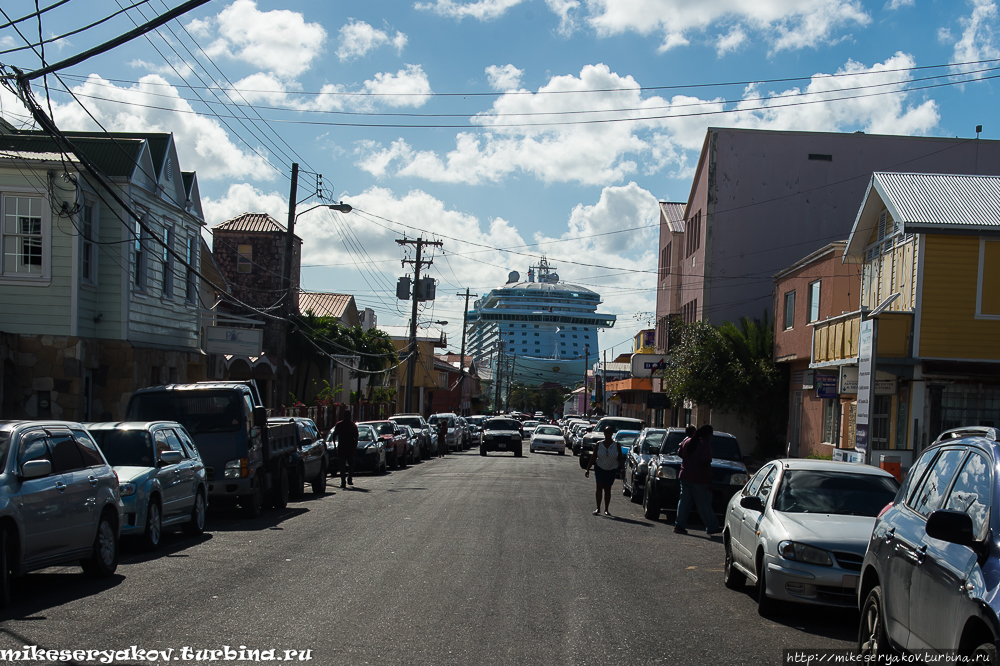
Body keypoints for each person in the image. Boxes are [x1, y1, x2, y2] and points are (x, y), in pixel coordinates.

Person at [674, 424, 720, 535]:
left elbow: (680, 453)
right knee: (704, 504)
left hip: (685, 476)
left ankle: (679, 525)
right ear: (707, 434)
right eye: (711, 434)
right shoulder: (704, 445)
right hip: (699, 479)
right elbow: (706, 464)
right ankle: (712, 526)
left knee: (684, 502)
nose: (712, 436)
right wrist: (709, 481)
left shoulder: (688, 441)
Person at [584, 426, 624, 516]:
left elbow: (620, 458)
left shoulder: (616, 445)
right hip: (600, 468)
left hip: (612, 469)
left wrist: (622, 468)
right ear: (604, 433)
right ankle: (598, 508)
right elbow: (593, 457)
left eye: (609, 432)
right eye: (606, 432)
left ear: (612, 434)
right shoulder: (599, 444)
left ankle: (606, 509)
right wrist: (587, 469)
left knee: (607, 489)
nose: (607, 434)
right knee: (599, 487)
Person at [331, 410, 359, 489]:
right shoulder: (353, 425)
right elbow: (356, 438)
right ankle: (348, 479)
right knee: (350, 465)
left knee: (343, 466)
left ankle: (344, 481)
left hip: (342, 448)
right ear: (350, 416)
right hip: (349, 448)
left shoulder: (339, 425)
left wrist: (335, 446)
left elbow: (334, 436)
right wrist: (355, 448)